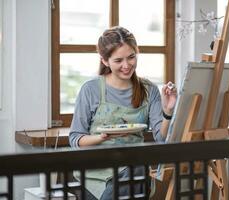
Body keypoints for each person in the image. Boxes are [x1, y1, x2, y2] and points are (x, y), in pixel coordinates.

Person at [69, 26, 177, 200]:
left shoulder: (149, 90)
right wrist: (102, 137)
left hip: (131, 170)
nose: (126, 66)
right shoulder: (91, 89)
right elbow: (75, 139)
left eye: (131, 57)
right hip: (93, 174)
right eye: (118, 60)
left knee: (137, 166)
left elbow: (161, 138)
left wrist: (167, 111)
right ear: (105, 61)